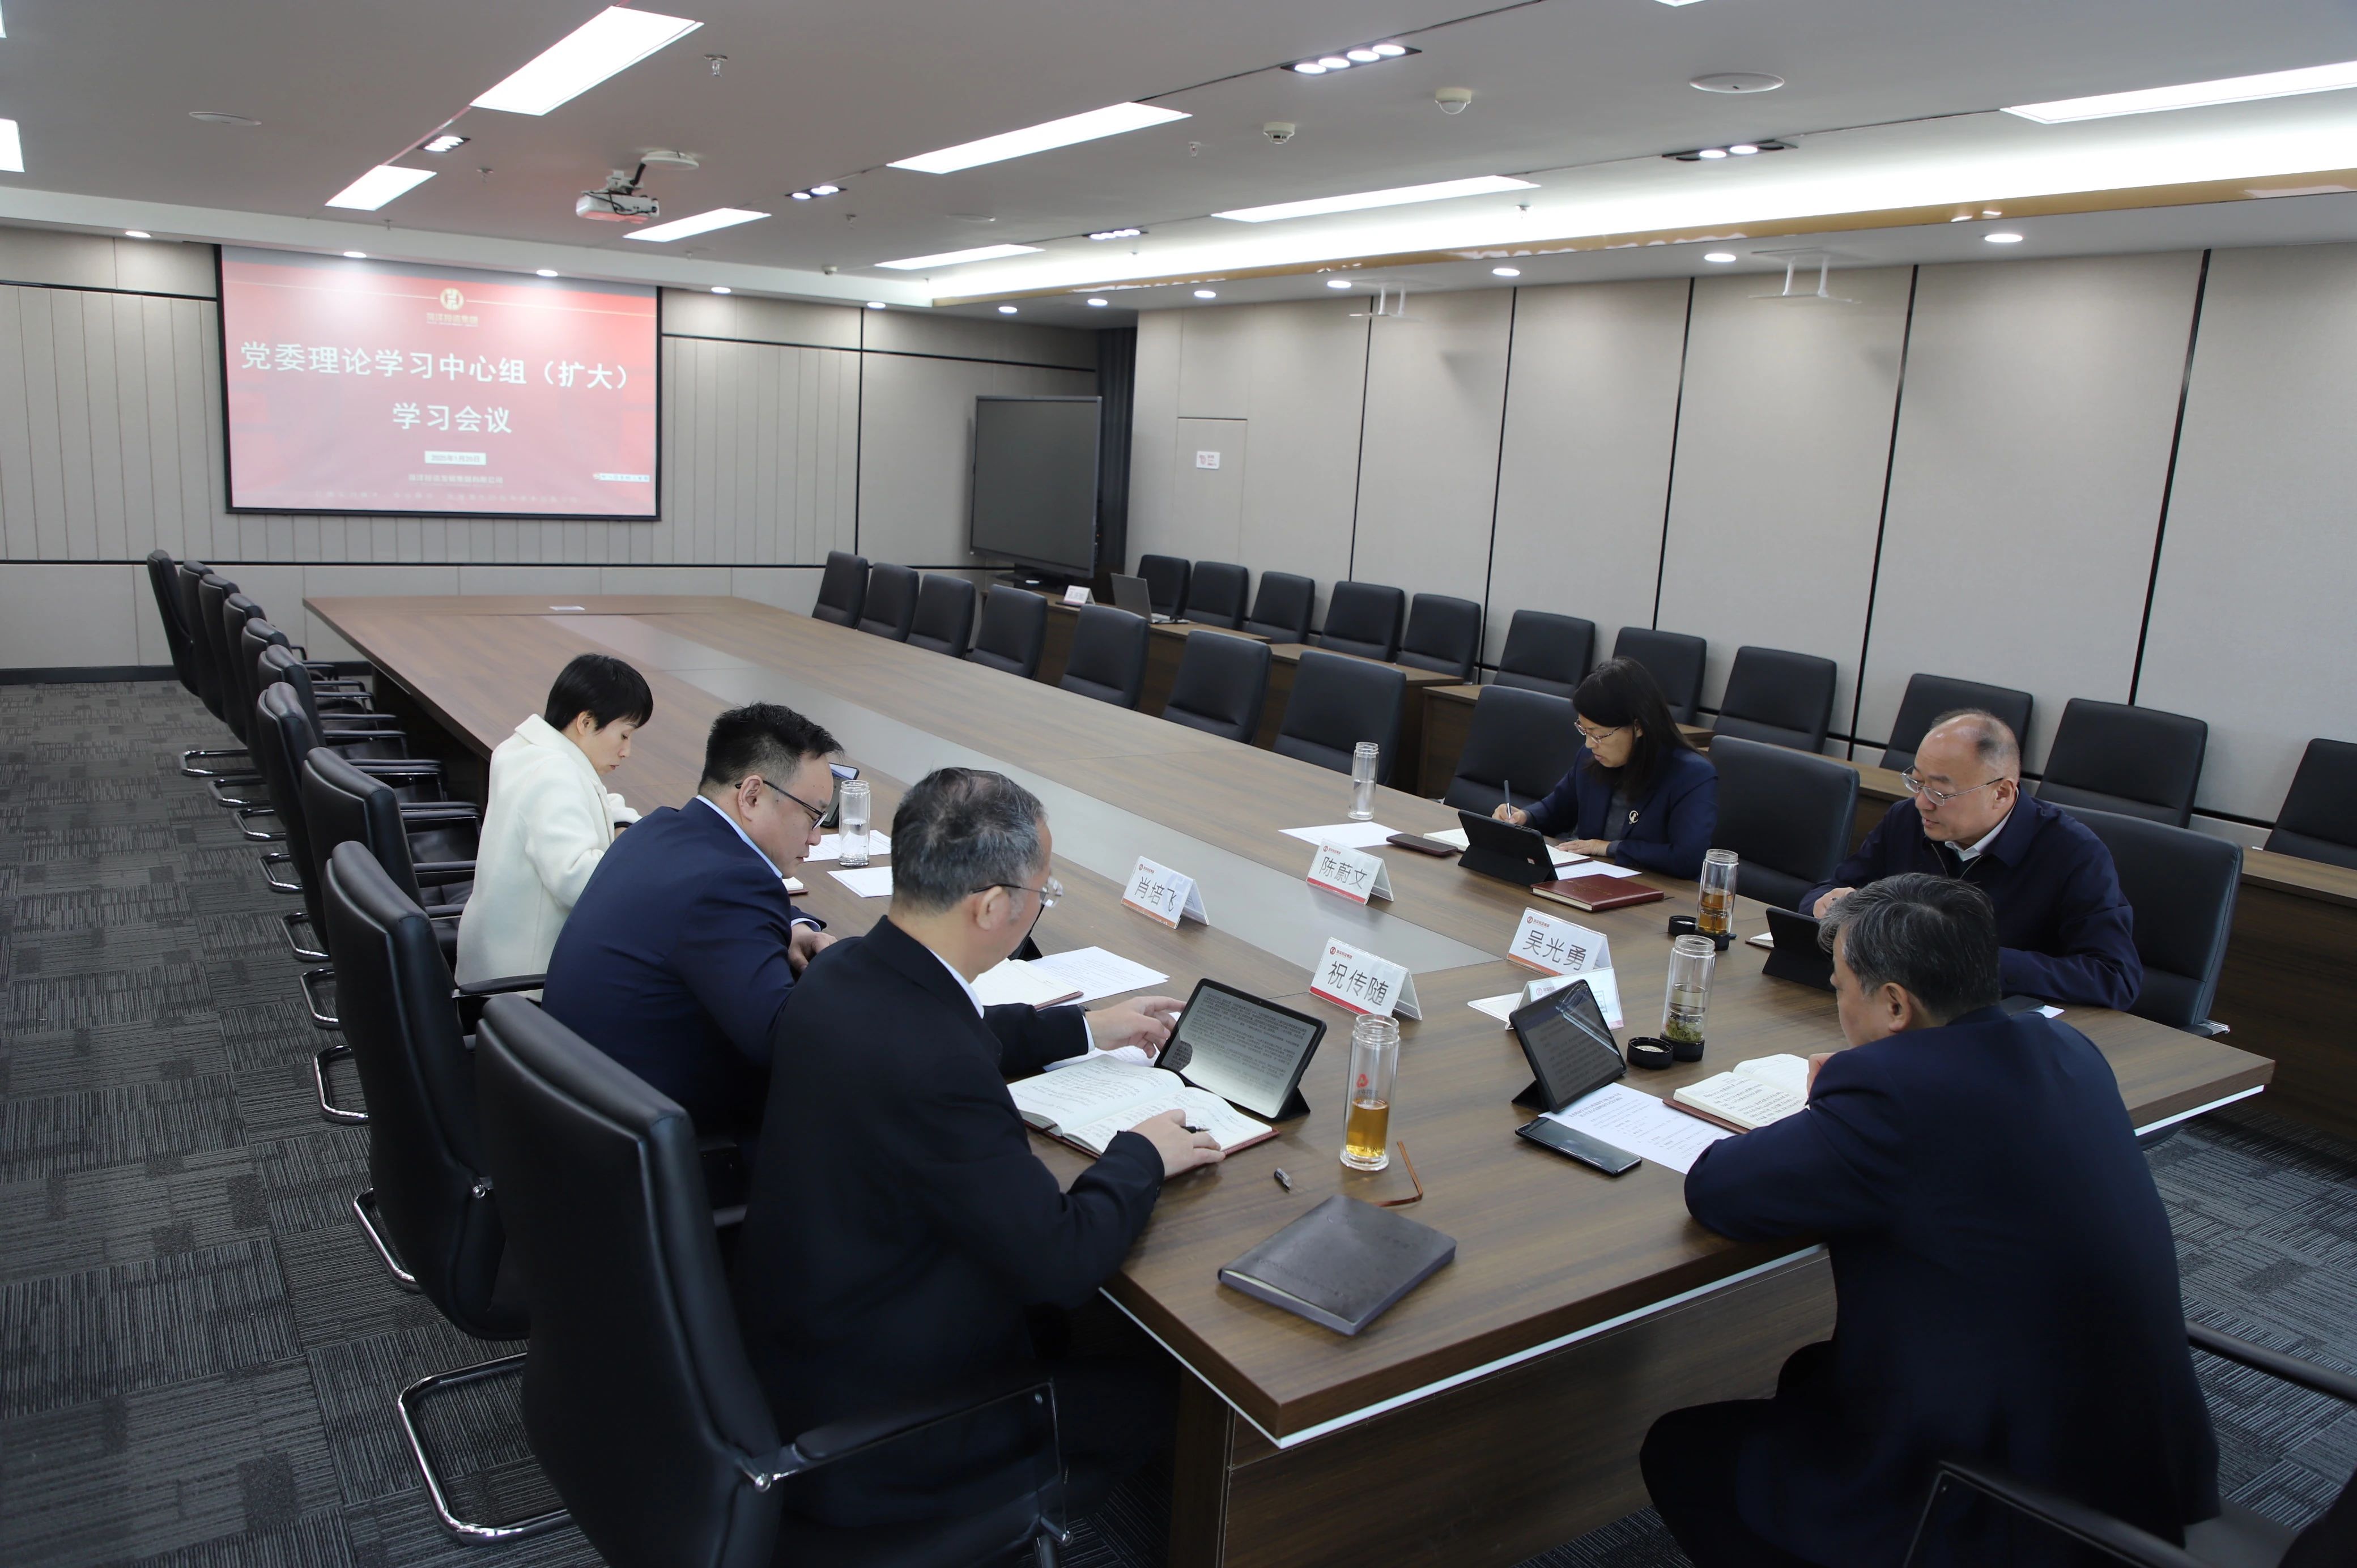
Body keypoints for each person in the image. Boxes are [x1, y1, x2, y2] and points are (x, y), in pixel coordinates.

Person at [1641, 875, 2216, 1567]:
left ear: (1893, 1004)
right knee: (1810, 1372)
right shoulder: (2066, 1048)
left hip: (2006, 1504)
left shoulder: (1892, 1096)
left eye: (1839, 987)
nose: (1837, 1003)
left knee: (1681, 1449)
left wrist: (1830, 1104)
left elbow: (1718, 1189)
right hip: (2132, 1464)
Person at [734, 767, 1220, 1529]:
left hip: (797, 1345)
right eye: (1042, 893)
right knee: (1164, 1394)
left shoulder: (842, 969)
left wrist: (1088, 1028)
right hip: (885, 1426)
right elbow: (1060, 1262)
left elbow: (956, 1027)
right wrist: (1143, 1154)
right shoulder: (940, 1070)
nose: (1039, 905)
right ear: (993, 906)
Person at [542, 701, 841, 1144]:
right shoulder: (732, 882)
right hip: (655, 1148)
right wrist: (846, 974)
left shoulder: (657, 830)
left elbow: (709, 905)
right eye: (813, 816)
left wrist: (795, 927)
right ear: (752, 796)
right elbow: (785, 1044)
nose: (816, 838)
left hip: (574, 1108)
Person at [1799, 710, 2141, 1010]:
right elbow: (1827, 890)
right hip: (1901, 1005)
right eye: (1916, 782)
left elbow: (2113, 977)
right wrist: (1825, 904)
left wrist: (1968, 959)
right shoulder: (1906, 820)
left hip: (1997, 1025)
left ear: (2001, 793)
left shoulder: (2073, 852)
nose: (1921, 802)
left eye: (1940, 792)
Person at [454, 654, 650, 986]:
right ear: (586, 722)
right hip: (527, 983)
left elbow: (601, 799)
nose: (627, 751)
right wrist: (635, 850)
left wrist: (625, 827)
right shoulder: (554, 775)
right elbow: (579, 882)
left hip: (491, 956)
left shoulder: (527, 751)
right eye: (625, 735)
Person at [1492, 656, 1717, 879]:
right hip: (1589, 880)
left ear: (1638, 727)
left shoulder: (1691, 775)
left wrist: (1609, 848)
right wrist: (1523, 818)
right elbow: (1556, 810)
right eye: (1584, 731)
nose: (1589, 744)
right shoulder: (1591, 758)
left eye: (1598, 735)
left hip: (1655, 892)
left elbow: (1688, 858)